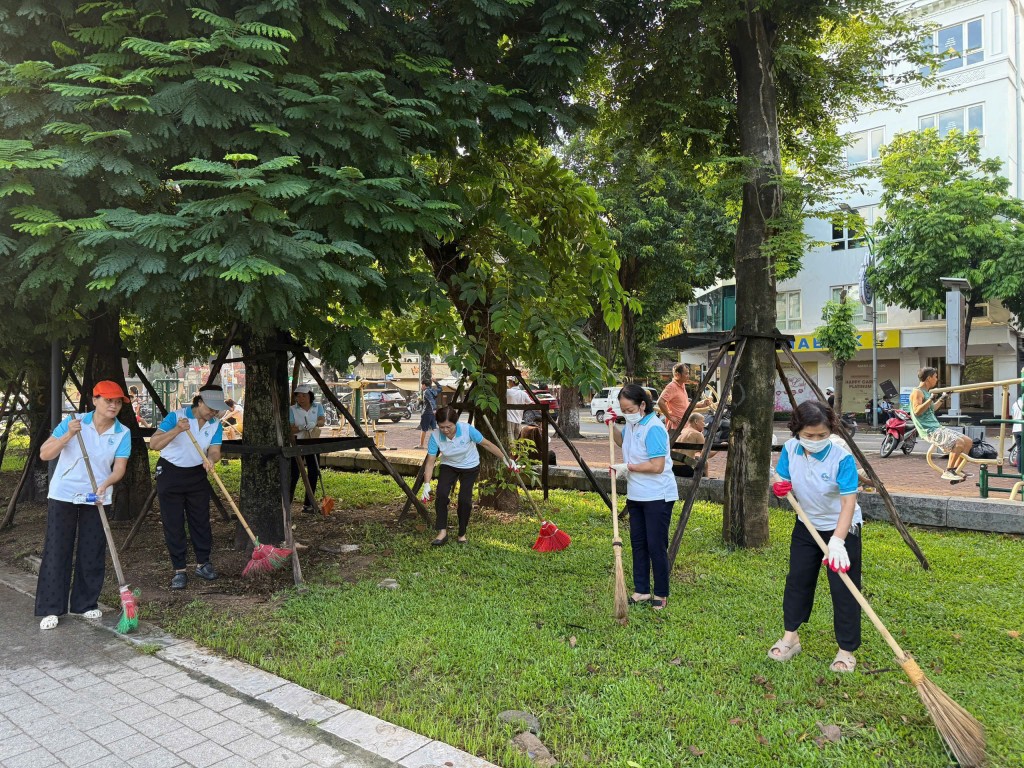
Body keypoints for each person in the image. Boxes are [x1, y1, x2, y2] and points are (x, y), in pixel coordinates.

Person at [769, 400, 862, 673]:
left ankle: (846, 650)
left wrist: (838, 541)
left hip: (842, 529)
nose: (816, 440)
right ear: (797, 431)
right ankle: (791, 638)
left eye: (822, 435)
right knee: (798, 580)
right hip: (806, 526)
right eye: (809, 436)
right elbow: (781, 478)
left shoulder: (841, 457)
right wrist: (779, 485)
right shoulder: (790, 449)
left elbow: (848, 503)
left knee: (844, 588)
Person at [35, 381, 132, 630]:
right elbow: (45, 454)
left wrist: (106, 484)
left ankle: (85, 604)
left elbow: (119, 468)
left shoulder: (122, 433)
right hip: (64, 493)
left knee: (92, 550)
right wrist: (68, 434)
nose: (113, 405)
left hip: (97, 496)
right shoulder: (74, 421)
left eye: (118, 401)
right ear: (95, 400)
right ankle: (51, 608)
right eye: (108, 400)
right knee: (58, 549)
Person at [607, 384, 677, 611]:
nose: (626, 414)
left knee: (655, 544)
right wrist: (611, 425)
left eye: (629, 409)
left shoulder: (654, 428)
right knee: (638, 543)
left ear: (643, 405)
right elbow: (621, 442)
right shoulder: (632, 425)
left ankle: (661, 593)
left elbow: (657, 466)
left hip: (658, 494)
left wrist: (627, 467)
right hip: (636, 495)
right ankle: (642, 590)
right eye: (623, 410)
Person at [149, 385, 226, 590]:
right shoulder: (177, 417)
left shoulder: (215, 424)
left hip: (196, 473)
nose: (213, 413)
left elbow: (215, 450)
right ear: (199, 402)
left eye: (216, 410)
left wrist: (211, 459)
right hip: (171, 472)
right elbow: (154, 444)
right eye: (211, 408)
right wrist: (177, 430)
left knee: (201, 520)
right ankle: (179, 570)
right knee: (173, 522)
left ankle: (203, 563)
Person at [420, 406, 516, 545]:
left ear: (455, 423)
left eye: (449, 427)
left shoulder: (467, 430)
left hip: (469, 466)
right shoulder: (435, 436)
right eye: (442, 427)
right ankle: (442, 532)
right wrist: (427, 484)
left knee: (465, 500)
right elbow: (430, 462)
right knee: (441, 495)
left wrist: (505, 459)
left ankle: (462, 533)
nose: (445, 430)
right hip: (449, 465)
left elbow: (487, 445)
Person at [909, 367, 973, 482]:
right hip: (929, 430)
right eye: (935, 377)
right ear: (929, 378)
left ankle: (957, 470)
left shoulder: (927, 393)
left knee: (968, 441)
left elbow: (931, 409)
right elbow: (917, 411)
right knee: (959, 442)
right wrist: (930, 399)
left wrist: (943, 398)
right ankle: (949, 471)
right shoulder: (917, 391)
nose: (937, 379)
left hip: (937, 427)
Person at [289, 383, 326, 513]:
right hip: (297, 442)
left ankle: (308, 503)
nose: (301, 398)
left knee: (314, 471)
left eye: (304, 396)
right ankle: (287, 502)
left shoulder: (318, 407)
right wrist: (300, 427)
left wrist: (314, 423)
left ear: (310, 396)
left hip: (313, 441)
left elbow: (322, 420)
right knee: (293, 473)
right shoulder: (292, 409)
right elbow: (290, 426)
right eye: (298, 396)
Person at [657, 363, 712, 432]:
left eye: (688, 373)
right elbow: (660, 402)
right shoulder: (672, 386)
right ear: (678, 375)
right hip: (676, 428)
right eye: (686, 374)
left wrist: (701, 404)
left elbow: (684, 406)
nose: (688, 376)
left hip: (684, 427)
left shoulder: (682, 385)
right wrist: (670, 417)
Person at [671, 412, 708, 478]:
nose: (704, 424)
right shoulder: (697, 434)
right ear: (696, 421)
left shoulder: (682, 431)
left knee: (696, 459)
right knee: (705, 463)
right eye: (703, 421)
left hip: (673, 466)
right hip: (686, 468)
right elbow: (706, 454)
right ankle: (706, 483)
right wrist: (720, 448)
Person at [417, 378, 441, 449]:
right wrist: (436, 382)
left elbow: (431, 401)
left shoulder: (426, 391)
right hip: (432, 413)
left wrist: (434, 409)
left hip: (427, 412)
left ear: (424, 385)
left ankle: (421, 445)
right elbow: (440, 388)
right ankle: (440, 443)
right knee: (434, 428)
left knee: (423, 429)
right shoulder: (433, 390)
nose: (421, 387)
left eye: (422, 385)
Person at [1012, 391, 1022, 472]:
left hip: (1015, 428)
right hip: (1022, 428)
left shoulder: (1015, 404)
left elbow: (1012, 416)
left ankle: (1020, 470)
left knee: (1020, 450)